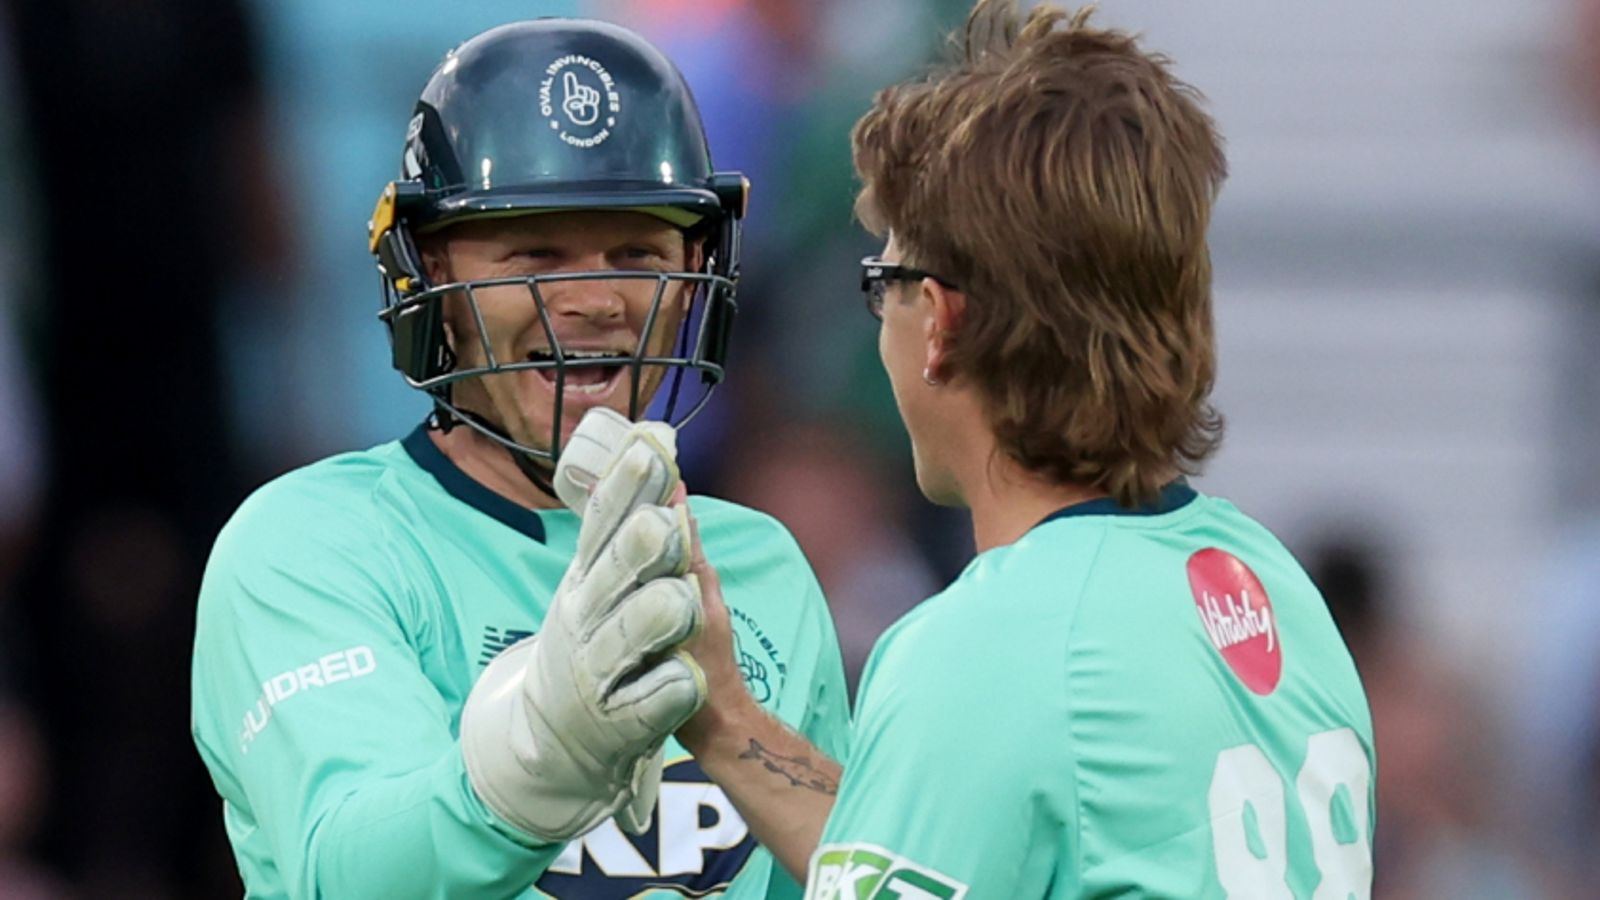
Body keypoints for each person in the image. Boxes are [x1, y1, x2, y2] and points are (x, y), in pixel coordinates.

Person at [666, 2, 1378, 896]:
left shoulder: (981, 654)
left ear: (942, 323)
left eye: (882, 281)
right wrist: (729, 723)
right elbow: (929, 849)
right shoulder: (1276, 590)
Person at [189, 19, 849, 899]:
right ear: (430, 279)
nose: (594, 299)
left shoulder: (759, 567)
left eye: (637, 252)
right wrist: (541, 756)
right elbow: (346, 873)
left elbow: (873, 875)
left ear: (698, 273)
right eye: (533, 252)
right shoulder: (309, 549)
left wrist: (733, 731)